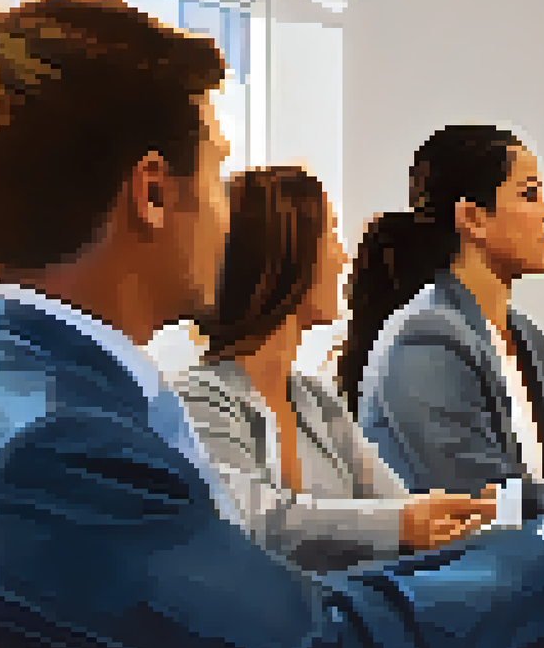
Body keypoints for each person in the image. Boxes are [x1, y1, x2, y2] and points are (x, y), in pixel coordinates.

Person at [0, 0, 544, 648]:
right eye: (218, 170)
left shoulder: (52, 384)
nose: (227, 210)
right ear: (154, 193)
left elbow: (299, 603)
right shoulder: (57, 446)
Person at [176, 166, 497, 573]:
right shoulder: (199, 398)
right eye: (330, 235)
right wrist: (404, 523)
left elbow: (393, 506)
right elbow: (256, 522)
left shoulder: (315, 399)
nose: (342, 255)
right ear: (285, 258)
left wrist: (458, 521)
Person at [340, 125, 544, 515]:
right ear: (473, 219)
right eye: (529, 194)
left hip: (523, 565)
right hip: (456, 572)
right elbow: (481, 504)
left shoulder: (527, 338)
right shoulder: (423, 338)